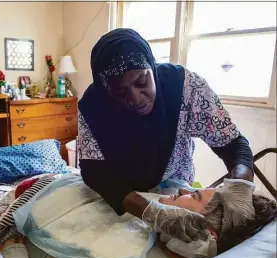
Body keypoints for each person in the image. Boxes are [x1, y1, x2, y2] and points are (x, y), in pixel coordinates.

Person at [77, 28, 254, 241]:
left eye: (141, 82)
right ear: (105, 89)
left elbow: (233, 145)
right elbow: (93, 169)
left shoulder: (185, 88)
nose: (134, 98)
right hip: (120, 194)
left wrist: (242, 186)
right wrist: (151, 212)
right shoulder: (93, 106)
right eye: (120, 91)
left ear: (152, 67)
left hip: (173, 183)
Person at [0, 184, 276, 258]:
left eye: (194, 195)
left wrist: (11, 251)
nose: (182, 188)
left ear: (202, 235)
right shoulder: (159, 229)